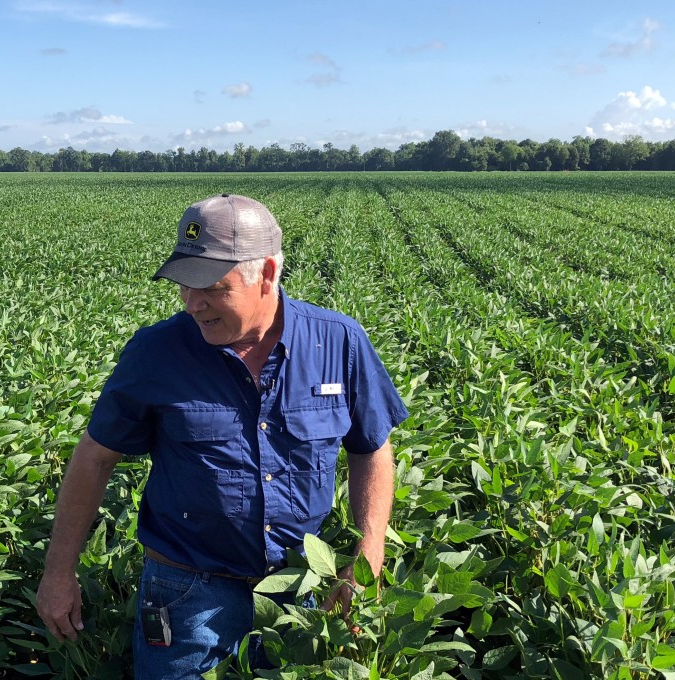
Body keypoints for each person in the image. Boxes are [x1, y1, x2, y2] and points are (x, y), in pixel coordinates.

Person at [36, 194, 408, 678]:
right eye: (185, 286)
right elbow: (94, 458)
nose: (194, 304)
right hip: (186, 592)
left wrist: (369, 550)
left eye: (212, 288)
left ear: (267, 274)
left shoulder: (338, 341)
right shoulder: (156, 352)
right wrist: (58, 572)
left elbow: (372, 448)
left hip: (301, 584)